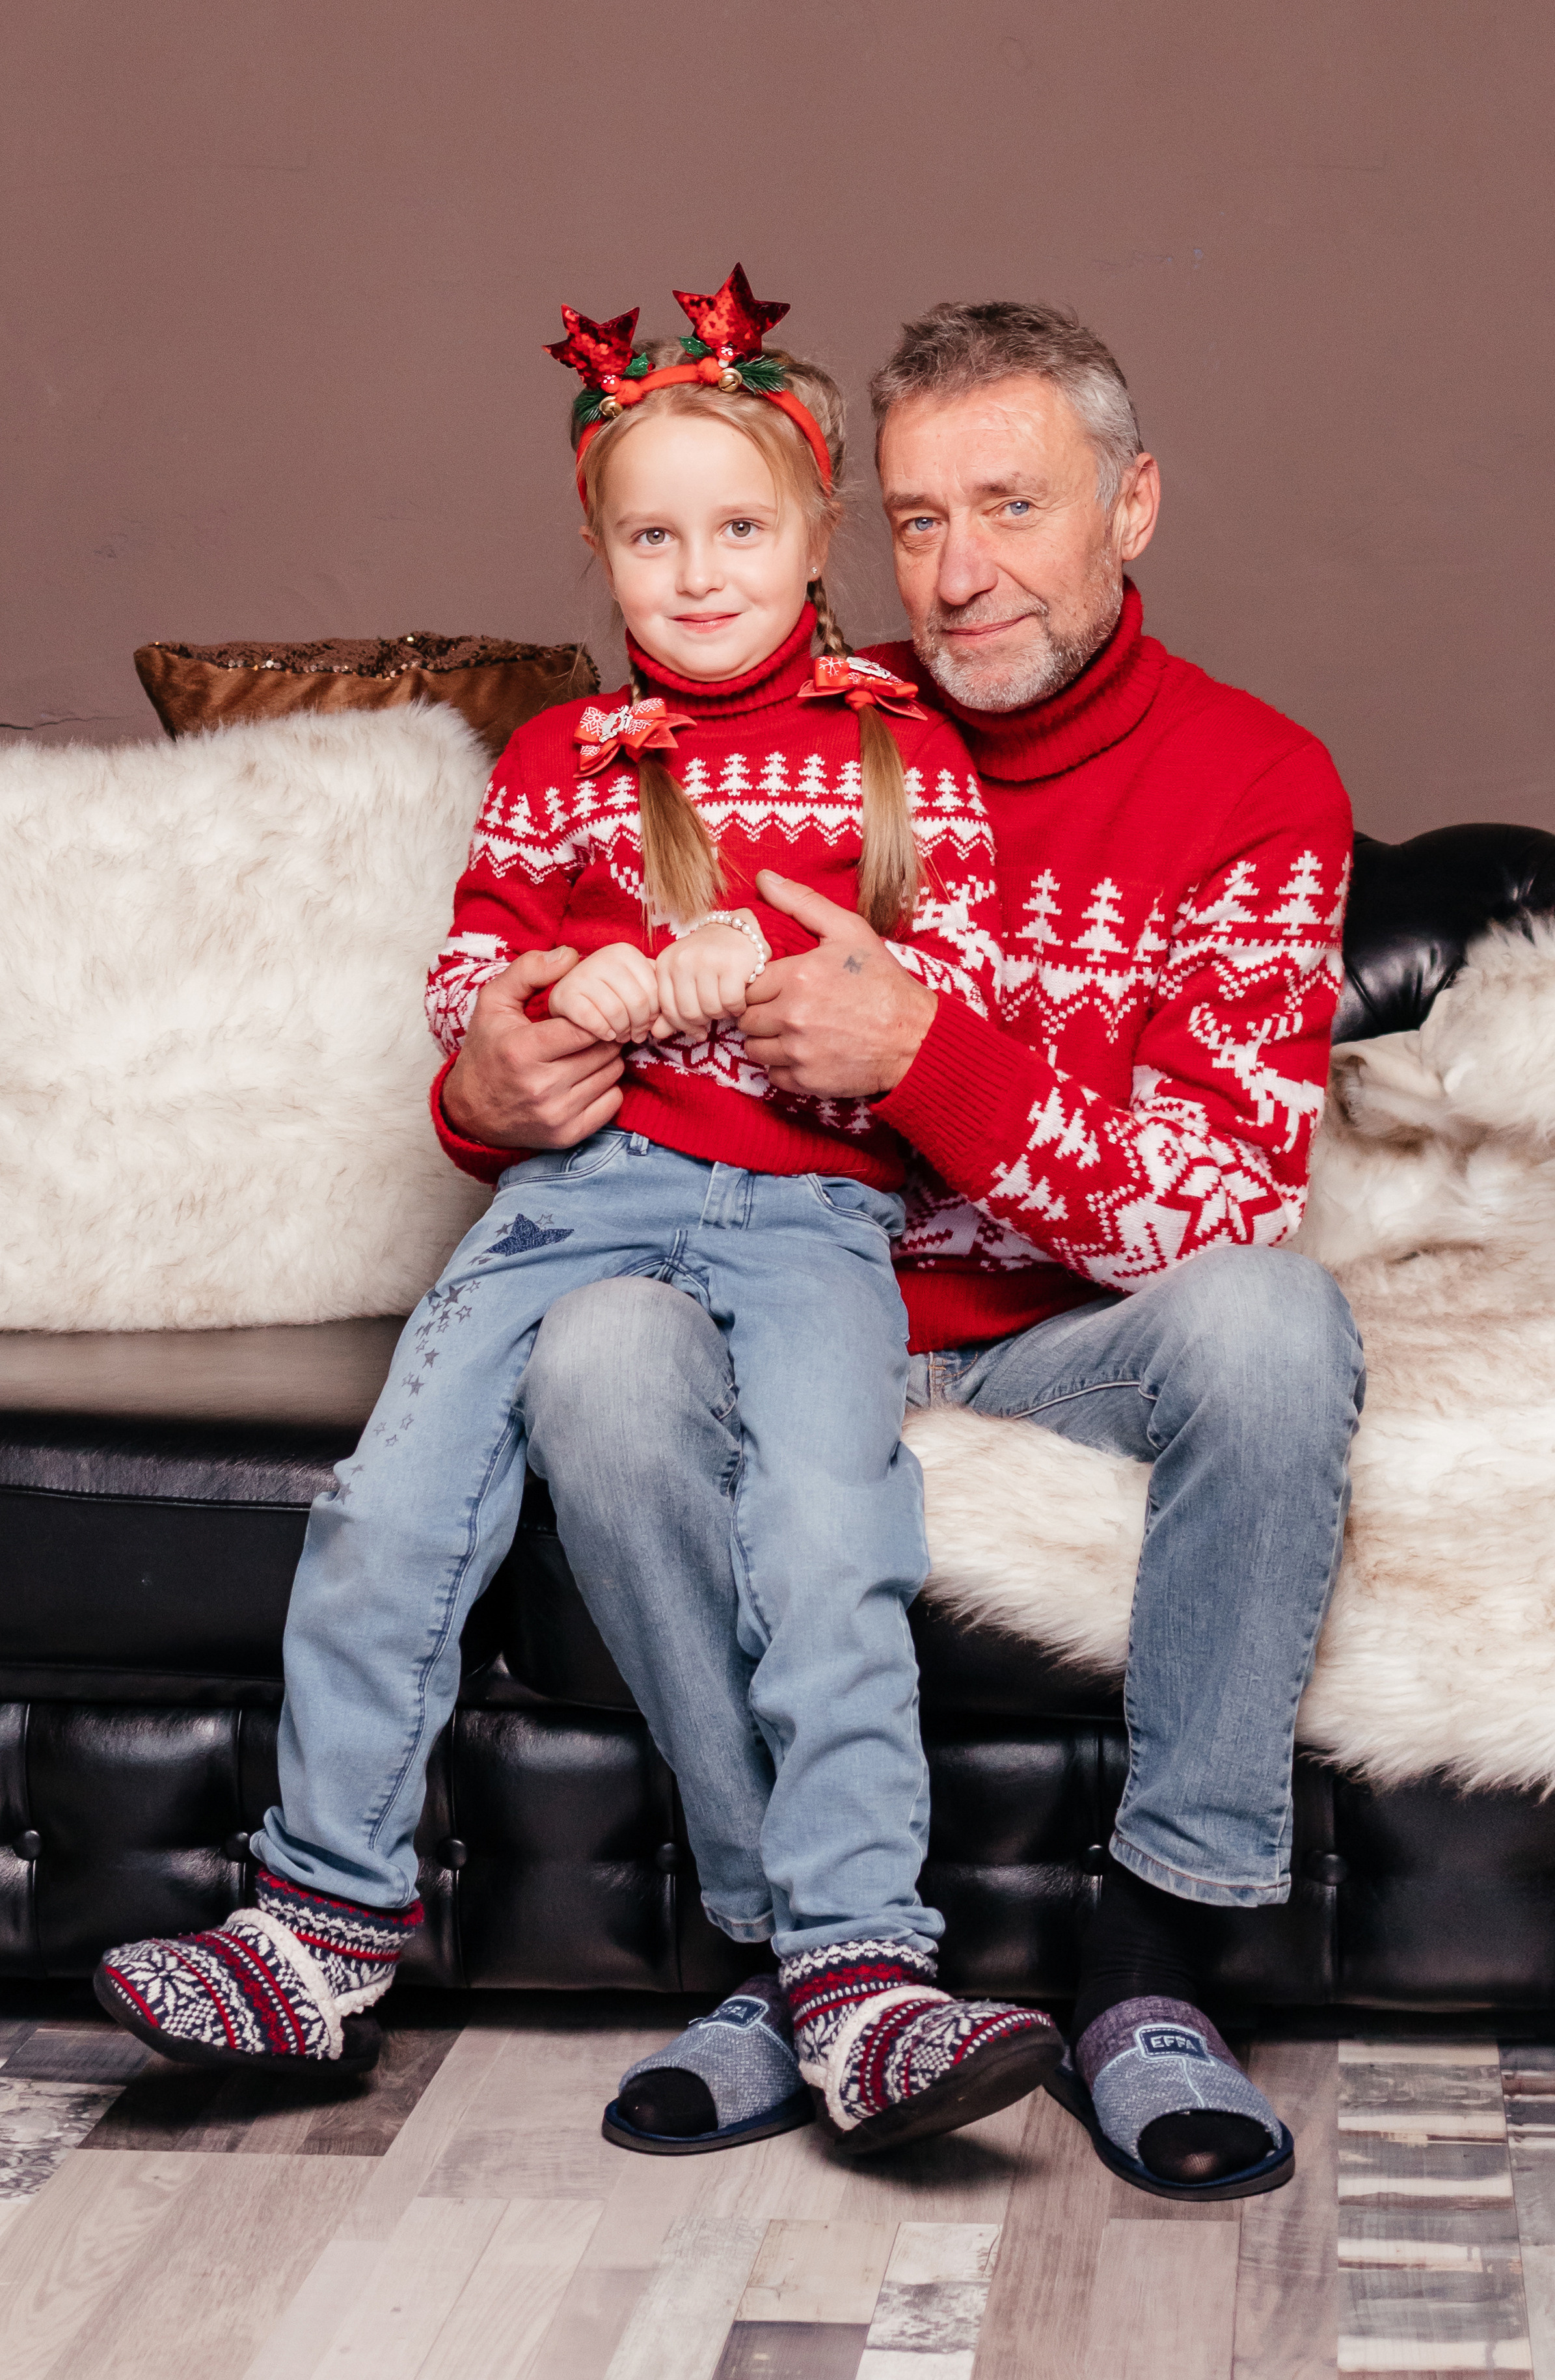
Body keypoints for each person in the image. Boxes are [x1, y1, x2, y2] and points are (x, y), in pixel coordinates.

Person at [92, 266, 1067, 2157]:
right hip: (580, 1195)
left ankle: (862, 1964)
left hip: (808, 1219)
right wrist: (550, 1009)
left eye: (736, 530)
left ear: (813, 535)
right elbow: (469, 1001)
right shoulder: (560, 768)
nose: (696, 574)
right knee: (390, 1504)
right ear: (601, 552)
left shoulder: (908, 759)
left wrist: (830, 1003)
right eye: (650, 537)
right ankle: (319, 1919)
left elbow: (979, 1017)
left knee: (826, 1520)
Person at [442, 299, 1363, 2202]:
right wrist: (491, 1092)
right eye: (921, 517)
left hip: (1057, 1337)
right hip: (773, 1301)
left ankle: (1158, 1949)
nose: (961, 572)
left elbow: (1219, 1197)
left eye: (1013, 505)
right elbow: (552, 1014)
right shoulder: (799, 731)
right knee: (598, 1355)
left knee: (1276, 1321)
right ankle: (814, 1952)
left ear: (1135, 505)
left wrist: (929, 1059)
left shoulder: (1262, 785)